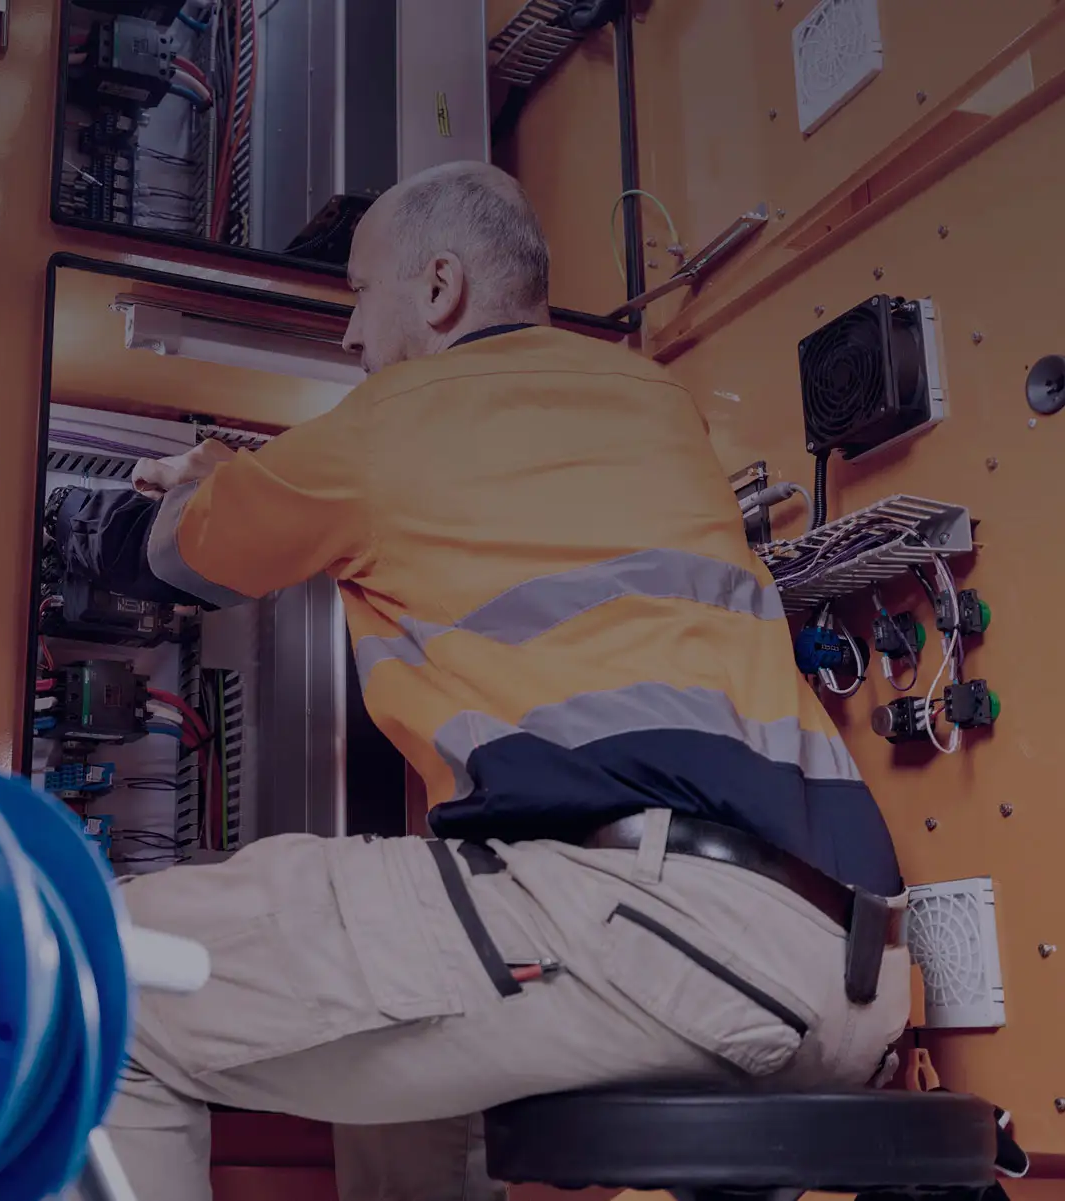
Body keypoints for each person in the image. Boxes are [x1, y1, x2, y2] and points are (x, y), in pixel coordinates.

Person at [53, 161, 910, 1201]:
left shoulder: (394, 418)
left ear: (440, 289)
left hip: (658, 929)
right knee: (400, 1094)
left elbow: (171, 555)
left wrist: (182, 489)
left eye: (359, 297)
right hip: (839, 964)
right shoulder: (654, 398)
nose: (351, 338)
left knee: (104, 972)